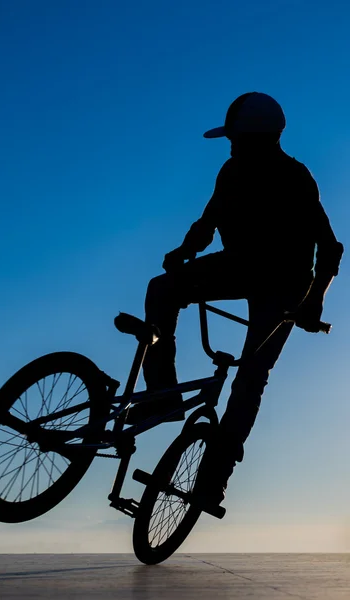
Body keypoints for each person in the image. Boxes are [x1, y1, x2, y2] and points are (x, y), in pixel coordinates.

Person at [127, 92, 343, 516]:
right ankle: (163, 395)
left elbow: (329, 247)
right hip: (240, 266)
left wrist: (313, 301)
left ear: (259, 138)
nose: (230, 146)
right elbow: (207, 223)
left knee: (250, 379)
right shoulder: (231, 171)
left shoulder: (296, 178)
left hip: (284, 284)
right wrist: (184, 253)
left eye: (236, 139)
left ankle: (213, 482)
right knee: (162, 288)